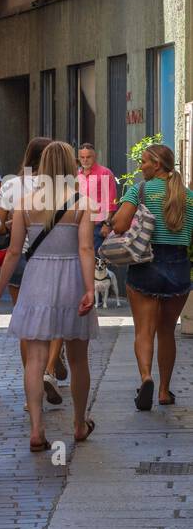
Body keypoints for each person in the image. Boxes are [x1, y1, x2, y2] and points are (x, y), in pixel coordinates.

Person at [0, 141, 98, 451]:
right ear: (71, 166)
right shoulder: (82, 202)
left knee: (34, 359)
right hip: (72, 279)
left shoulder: (25, 203)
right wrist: (90, 288)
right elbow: (86, 248)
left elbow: (13, 252)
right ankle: (79, 423)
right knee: (78, 359)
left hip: (36, 279)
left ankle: (37, 429)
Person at [108, 143, 193, 410]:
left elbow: (120, 225)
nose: (140, 166)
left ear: (157, 165)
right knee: (167, 331)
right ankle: (165, 391)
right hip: (179, 265)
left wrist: (112, 223)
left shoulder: (140, 190)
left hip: (147, 263)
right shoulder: (189, 196)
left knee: (144, 330)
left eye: (143, 161)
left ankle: (146, 378)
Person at [0, 136, 67, 401]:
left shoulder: (12, 185)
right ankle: (49, 369)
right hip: (57, 259)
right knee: (57, 318)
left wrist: (14, 222)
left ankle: (32, 390)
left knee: (27, 325)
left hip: (24, 260)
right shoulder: (65, 186)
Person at [77, 143, 118, 260]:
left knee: (96, 260)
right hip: (79, 224)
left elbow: (111, 201)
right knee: (81, 259)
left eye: (88, 157)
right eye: (82, 157)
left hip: (98, 225)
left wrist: (107, 224)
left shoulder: (105, 173)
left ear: (95, 156)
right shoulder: (76, 175)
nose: (85, 160)